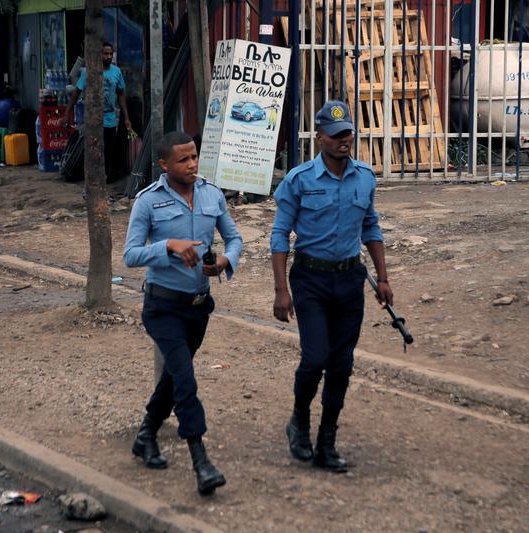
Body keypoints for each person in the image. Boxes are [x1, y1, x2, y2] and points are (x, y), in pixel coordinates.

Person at [270, 100, 394, 472]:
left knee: (341, 365)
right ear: (320, 136)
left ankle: (327, 441)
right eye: (336, 135)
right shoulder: (300, 180)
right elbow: (280, 236)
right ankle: (299, 422)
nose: (344, 141)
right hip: (310, 279)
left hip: (349, 281)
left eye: (348, 134)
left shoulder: (365, 177)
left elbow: (370, 228)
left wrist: (383, 278)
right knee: (315, 359)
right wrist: (280, 290)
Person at [123, 131, 242, 495]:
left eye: (194, 157)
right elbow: (130, 255)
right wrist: (167, 246)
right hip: (162, 306)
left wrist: (224, 260)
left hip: (198, 306)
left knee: (174, 378)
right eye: (183, 160)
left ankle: (146, 434)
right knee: (186, 380)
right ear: (164, 164)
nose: (192, 165)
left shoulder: (212, 194)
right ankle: (200, 461)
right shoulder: (147, 202)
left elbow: (234, 239)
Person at [65, 41, 132, 182]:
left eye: (110, 54)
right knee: (94, 149)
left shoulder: (117, 72)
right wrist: (67, 114)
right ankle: (93, 178)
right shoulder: (89, 72)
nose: (108, 56)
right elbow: (76, 93)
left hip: (110, 118)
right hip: (93, 118)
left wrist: (126, 118)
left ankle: (107, 177)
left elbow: (121, 95)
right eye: (105, 54)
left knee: (109, 149)